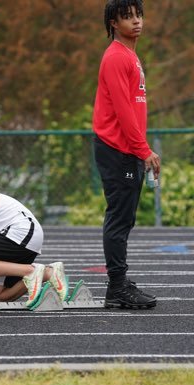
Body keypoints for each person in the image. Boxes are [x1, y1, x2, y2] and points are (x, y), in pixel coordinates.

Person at [92, 0, 160, 308]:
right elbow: (122, 111)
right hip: (118, 150)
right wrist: (144, 150)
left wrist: (140, 148)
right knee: (119, 219)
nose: (136, 21)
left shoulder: (130, 56)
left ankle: (119, 283)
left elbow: (133, 109)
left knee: (125, 218)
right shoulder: (116, 57)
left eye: (138, 15)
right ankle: (117, 288)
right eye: (127, 17)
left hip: (127, 150)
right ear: (113, 23)